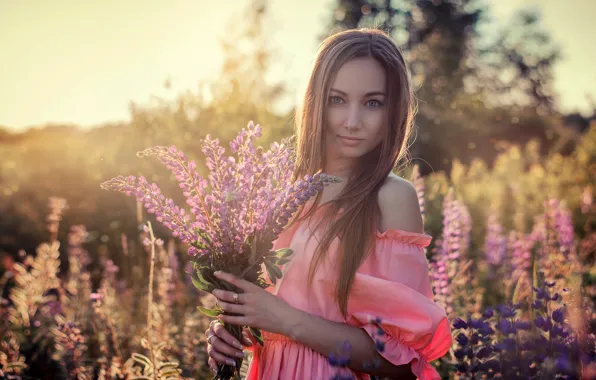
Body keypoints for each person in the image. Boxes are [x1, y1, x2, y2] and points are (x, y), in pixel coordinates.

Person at [204, 28, 452, 380]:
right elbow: (262, 319)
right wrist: (228, 333)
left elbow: (397, 363)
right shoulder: (285, 195)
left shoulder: (391, 196)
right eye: (337, 99)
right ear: (315, 102)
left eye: (372, 103)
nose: (352, 121)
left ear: (393, 110)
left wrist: (283, 319)